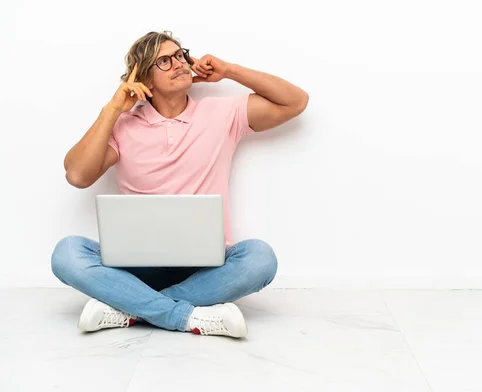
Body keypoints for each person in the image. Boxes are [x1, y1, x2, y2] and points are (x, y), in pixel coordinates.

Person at [50, 31, 309, 338]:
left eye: (180, 55)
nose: (179, 63)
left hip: (206, 266)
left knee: (260, 259)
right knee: (66, 252)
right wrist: (113, 108)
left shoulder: (221, 112)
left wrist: (228, 71)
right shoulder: (122, 125)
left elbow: (295, 102)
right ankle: (183, 315)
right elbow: (77, 175)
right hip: (135, 265)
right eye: (164, 60)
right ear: (143, 77)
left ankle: (128, 307)